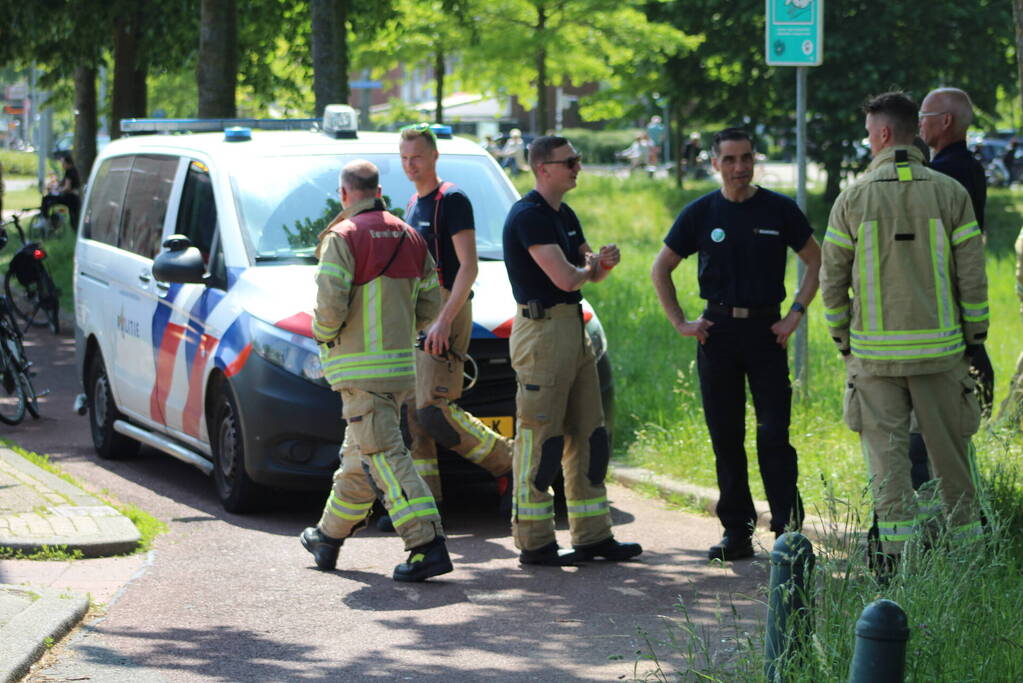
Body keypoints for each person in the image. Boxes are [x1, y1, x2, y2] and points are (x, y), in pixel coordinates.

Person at [821, 91, 987, 571]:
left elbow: (832, 283)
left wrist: (843, 342)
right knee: (952, 466)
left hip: (874, 361)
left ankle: (896, 569)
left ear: (884, 134)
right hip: (942, 357)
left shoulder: (852, 199)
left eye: (869, 133)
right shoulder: (950, 193)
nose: (868, 140)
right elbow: (973, 278)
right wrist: (973, 339)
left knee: (888, 469)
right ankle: (970, 564)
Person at [651, 127, 820, 562]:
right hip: (717, 332)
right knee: (726, 436)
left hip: (767, 332)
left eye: (746, 158)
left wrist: (795, 315)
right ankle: (737, 532)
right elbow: (661, 267)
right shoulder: (701, 213)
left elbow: (815, 259)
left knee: (773, 434)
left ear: (754, 160)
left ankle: (787, 533)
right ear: (715, 164)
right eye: (729, 159)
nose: (739, 167)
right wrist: (681, 322)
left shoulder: (779, 210)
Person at [299, 159, 452, 583]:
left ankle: (427, 544)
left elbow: (329, 309)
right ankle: (327, 537)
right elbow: (431, 305)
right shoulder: (410, 235)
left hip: (358, 373)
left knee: (385, 457)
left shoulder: (343, 236)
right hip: (399, 371)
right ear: (379, 191)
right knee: (359, 458)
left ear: (344, 193)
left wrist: (325, 336)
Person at [502, 135, 642, 566]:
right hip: (542, 333)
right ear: (543, 168)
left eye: (577, 159)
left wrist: (603, 263)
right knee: (542, 439)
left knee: (590, 433)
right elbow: (566, 277)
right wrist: (590, 265)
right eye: (570, 161)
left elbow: (588, 273)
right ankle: (534, 542)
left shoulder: (564, 214)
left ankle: (593, 535)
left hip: (572, 327)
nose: (578, 167)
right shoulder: (529, 216)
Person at [386, 124, 513, 520]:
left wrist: (443, 321)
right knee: (413, 414)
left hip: (446, 311)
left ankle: (509, 464)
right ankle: (426, 503)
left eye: (417, 157)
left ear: (434, 156)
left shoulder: (452, 199)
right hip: (420, 313)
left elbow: (469, 267)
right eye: (405, 158)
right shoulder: (413, 203)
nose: (410, 165)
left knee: (433, 411)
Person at [917, 88, 994, 468]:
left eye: (924, 116)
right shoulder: (970, 166)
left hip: (942, 302)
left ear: (945, 121)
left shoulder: (944, 174)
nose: (919, 124)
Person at [40, 152, 81, 230]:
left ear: (68, 163)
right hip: (74, 198)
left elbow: (67, 187)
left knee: (46, 199)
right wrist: (55, 184)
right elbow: (62, 183)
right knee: (74, 220)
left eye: (63, 163)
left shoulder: (70, 172)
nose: (62, 165)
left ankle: (45, 220)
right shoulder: (72, 171)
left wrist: (58, 190)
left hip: (70, 198)